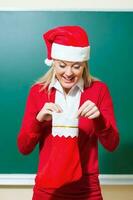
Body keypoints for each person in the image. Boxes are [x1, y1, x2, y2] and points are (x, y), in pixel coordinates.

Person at [17, 25, 120, 200]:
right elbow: (24, 148)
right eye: (62, 65)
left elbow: (112, 145)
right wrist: (38, 120)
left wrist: (100, 120)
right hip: (46, 191)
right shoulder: (39, 92)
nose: (69, 73)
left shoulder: (99, 91)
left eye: (77, 67)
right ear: (53, 62)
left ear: (85, 65)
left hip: (87, 191)